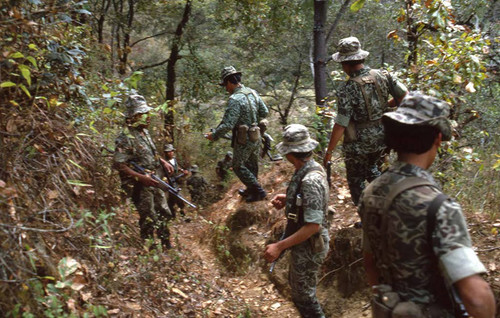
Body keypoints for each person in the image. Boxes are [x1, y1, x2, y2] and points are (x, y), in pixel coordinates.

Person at [359, 92, 495, 318]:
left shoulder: (371, 191)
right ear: (438, 139)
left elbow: (370, 262)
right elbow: (476, 298)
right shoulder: (439, 206)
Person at [323, 36, 408, 206]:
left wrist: (329, 151)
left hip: (358, 144)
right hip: (383, 137)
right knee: (374, 171)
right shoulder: (383, 75)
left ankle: (366, 216)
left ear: (345, 63)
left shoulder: (347, 89)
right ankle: (392, 203)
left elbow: (341, 123)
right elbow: (405, 96)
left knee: (356, 181)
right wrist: (385, 107)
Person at [263, 124, 330, 318]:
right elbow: (313, 202)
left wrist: (279, 246)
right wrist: (289, 199)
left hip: (309, 243)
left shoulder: (311, 179)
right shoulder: (309, 168)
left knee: (304, 298)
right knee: (300, 293)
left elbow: (312, 226)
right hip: (304, 241)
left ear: (292, 153)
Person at [113, 94, 173, 249]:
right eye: (143, 114)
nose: (148, 117)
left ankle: (166, 243)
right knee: (149, 217)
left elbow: (152, 154)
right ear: (133, 116)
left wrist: (163, 162)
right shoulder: (125, 137)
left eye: (147, 113)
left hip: (154, 178)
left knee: (164, 211)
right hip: (140, 184)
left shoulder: (144, 132)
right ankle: (150, 249)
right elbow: (120, 165)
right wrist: (140, 177)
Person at [205, 66, 269, 202]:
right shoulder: (253, 92)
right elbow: (264, 112)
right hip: (256, 135)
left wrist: (214, 135)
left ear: (229, 82)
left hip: (243, 138)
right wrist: (253, 121)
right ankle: (251, 191)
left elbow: (228, 124)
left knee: (238, 166)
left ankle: (259, 191)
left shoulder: (235, 99)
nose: (226, 89)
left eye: (225, 85)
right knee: (252, 164)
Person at [160, 144, 189, 219]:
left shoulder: (174, 159)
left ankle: (183, 214)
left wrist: (182, 170)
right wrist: (164, 179)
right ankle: (172, 216)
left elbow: (176, 166)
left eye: (171, 151)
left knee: (179, 197)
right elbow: (161, 172)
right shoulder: (164, 162)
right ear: (165, 153)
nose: (170, 153)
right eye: (168, 152)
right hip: (168, 182)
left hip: (176, 181)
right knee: (171, 200)